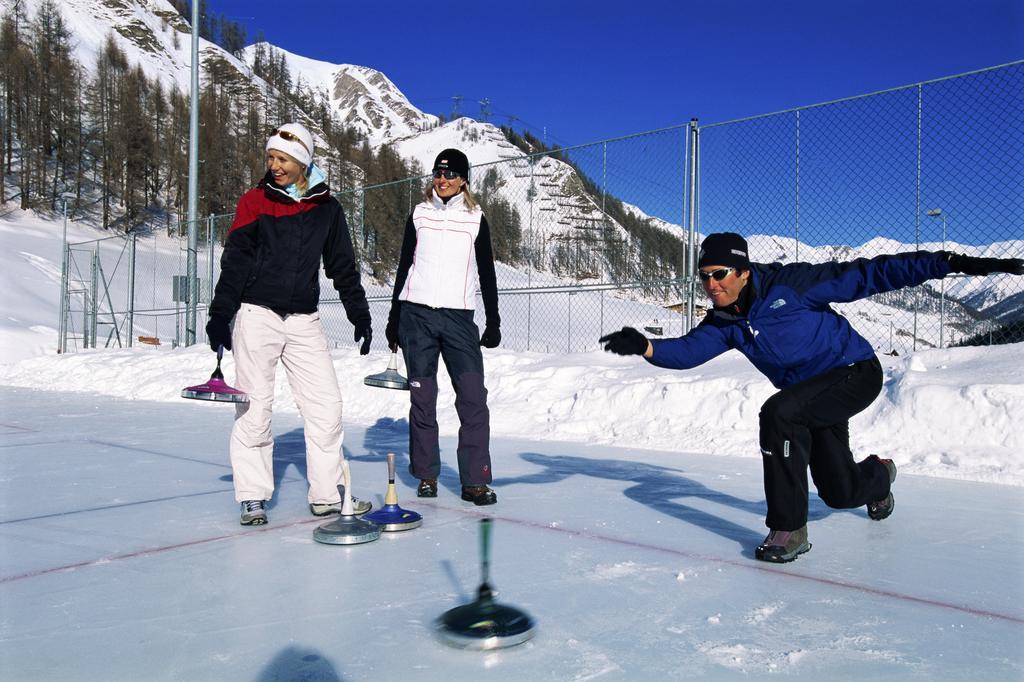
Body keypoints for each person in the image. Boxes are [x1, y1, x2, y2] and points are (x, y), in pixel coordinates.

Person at [600, 232, 1023, 562]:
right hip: (812, 397)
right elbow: (688, 353)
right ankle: (878, 477)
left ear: (743, 271)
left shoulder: (794, 285)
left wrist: (952, 263)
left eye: (719, 274)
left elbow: (874, 272)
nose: (711, 285)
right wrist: (645, 347)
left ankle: (789, 529)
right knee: (838, 492)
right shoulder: (726, 321)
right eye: (704, 276)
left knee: (779, 414)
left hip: (854, 373)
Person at [206, 123, 373, 526]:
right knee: (255, 405)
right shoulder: (254, 201)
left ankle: (325, 495)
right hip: (257, 314)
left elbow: (342, 267)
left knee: (326, 406)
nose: (273, 165)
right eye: (270, 158)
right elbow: (236, 262)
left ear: (303, 162)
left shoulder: (328, 209)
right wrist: (220, 313)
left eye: (281, 159)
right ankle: (252, 496)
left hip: (303, 319)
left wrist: (359, 312)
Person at [385, 148, 501, 506]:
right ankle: (427, 476)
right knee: (423, 400)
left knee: (472, 399)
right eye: (438, 172)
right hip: (416, 316)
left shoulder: (476, 218)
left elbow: (487, 272)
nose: (443, 179)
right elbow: (404, 264)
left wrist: (493, 319)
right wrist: (393, 316)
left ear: (464, 179)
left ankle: (475, 480)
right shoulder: (419, 214)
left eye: (450, 174)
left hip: (458, 319)